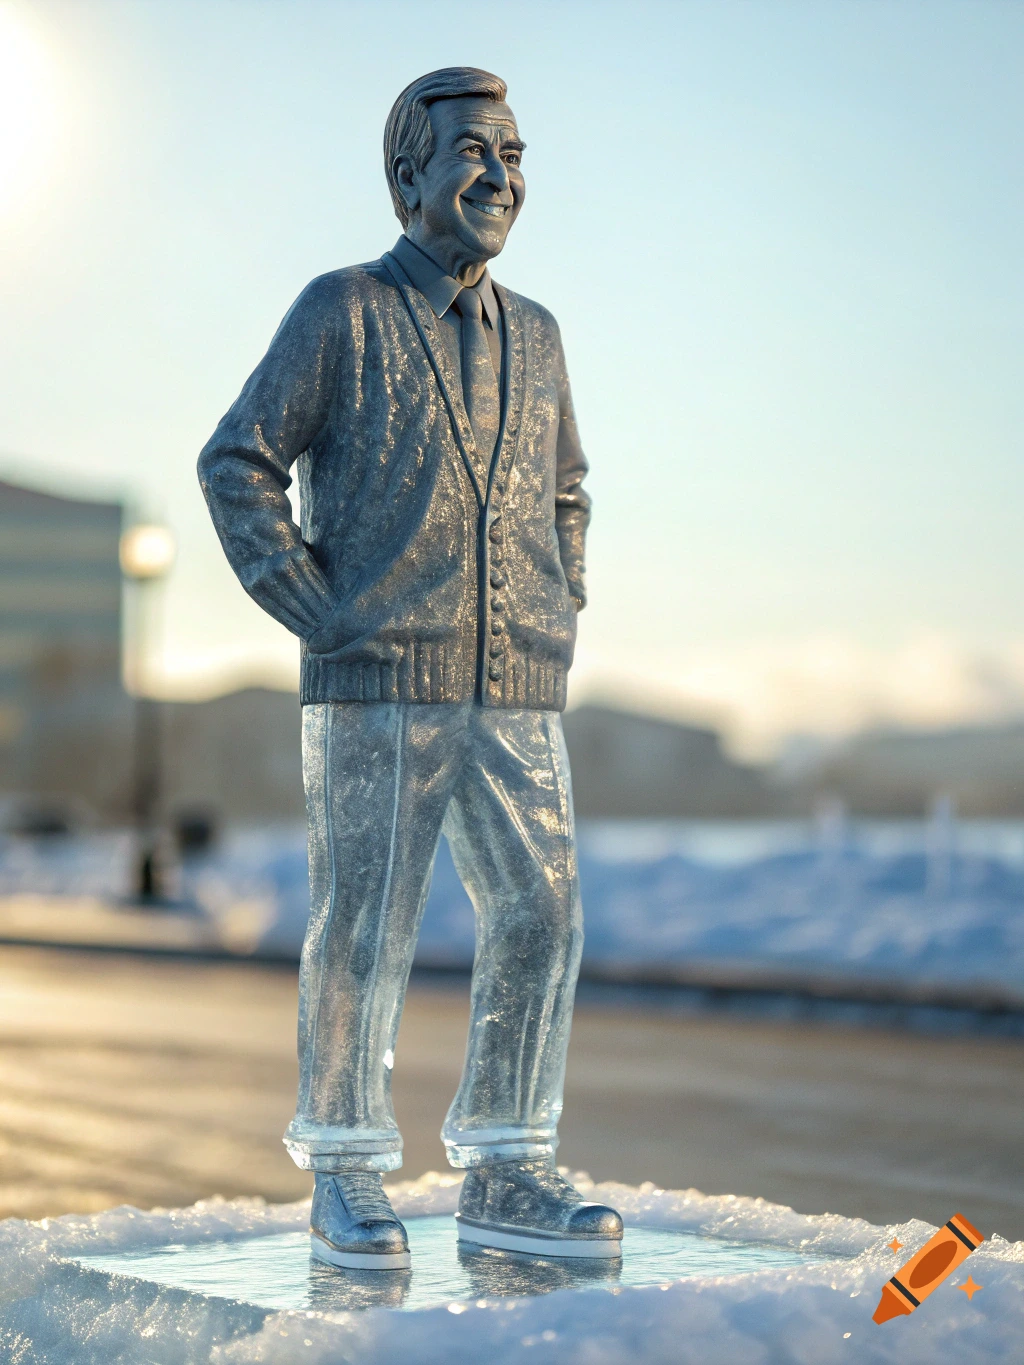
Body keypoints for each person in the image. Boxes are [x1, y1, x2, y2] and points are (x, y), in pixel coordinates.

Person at [198, 66, 622, 1269]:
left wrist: (558, 600)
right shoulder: (339, 311)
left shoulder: (537, 335)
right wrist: (314, 607)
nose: (500, 177)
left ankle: (507, 1163)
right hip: (375, 679)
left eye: (515, 154)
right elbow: (237, 461)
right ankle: (343, 1172)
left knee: (543, 914)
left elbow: (568, 490)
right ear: (408, 177)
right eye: (474, 153)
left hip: (516, 682)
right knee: (364, 926)